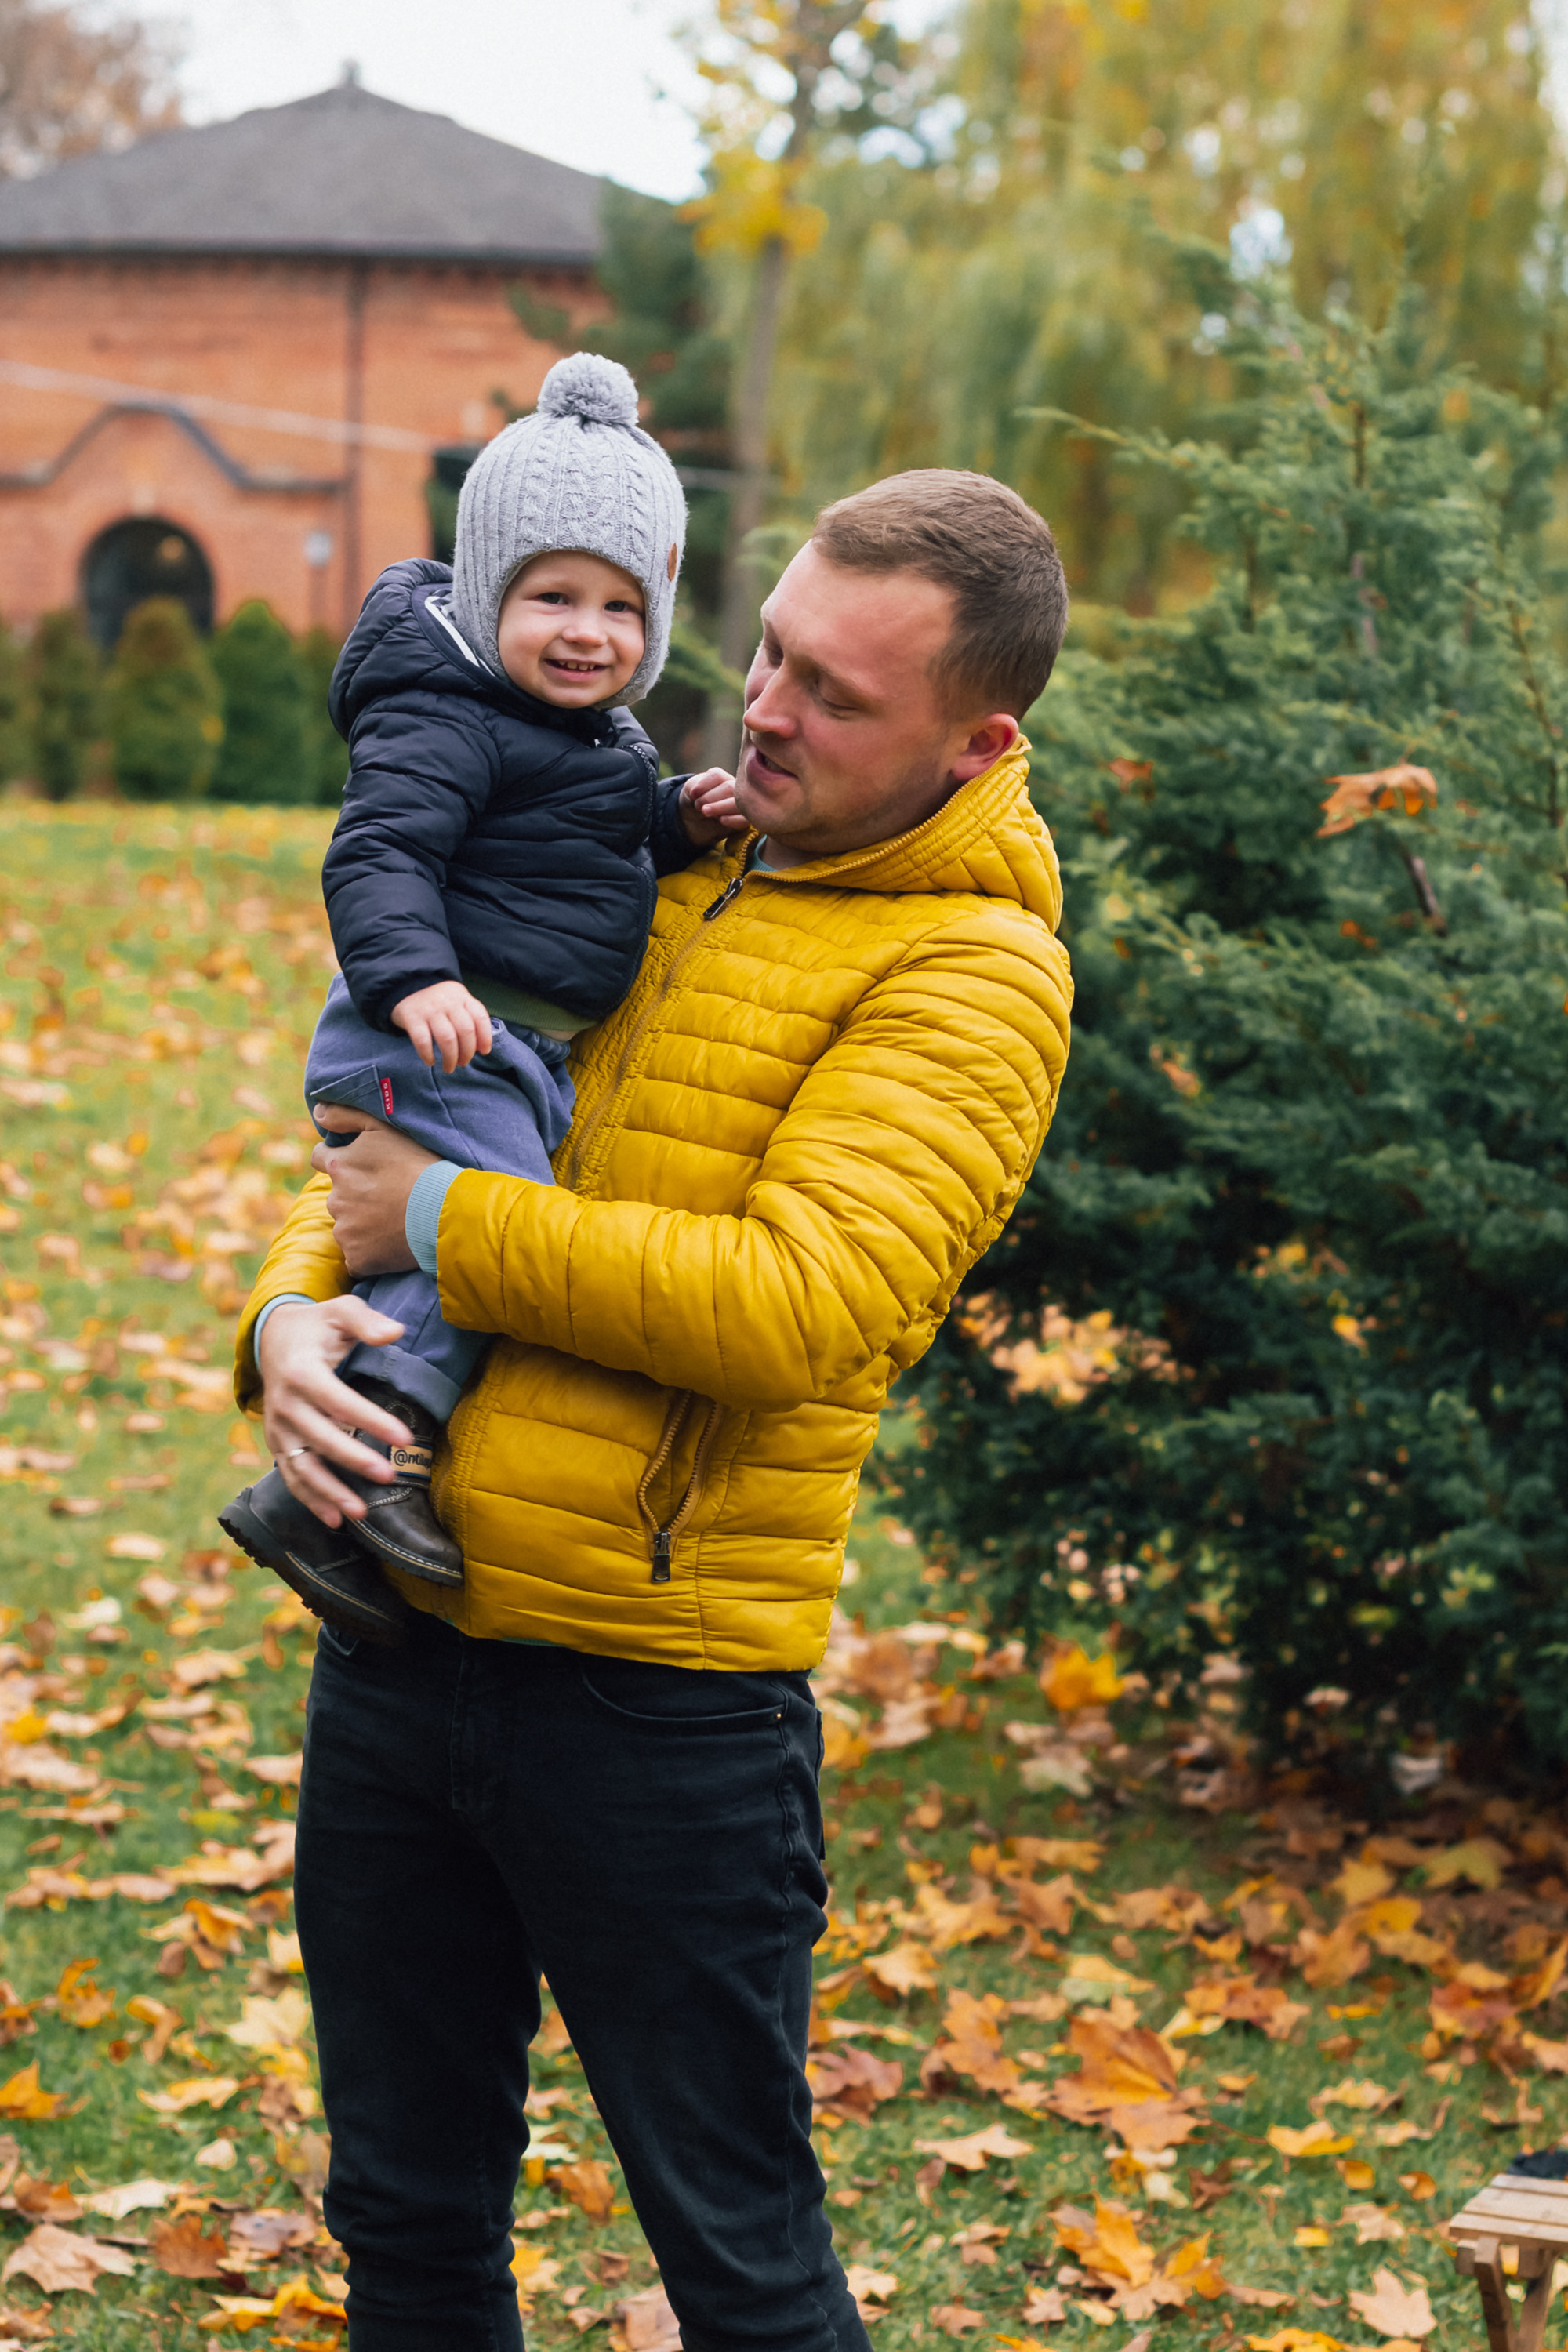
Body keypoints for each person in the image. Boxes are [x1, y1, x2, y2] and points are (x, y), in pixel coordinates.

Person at [235, 467, 1075, 2352]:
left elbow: (809, 1306)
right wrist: (288, 1320)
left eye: (835, 697)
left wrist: (443, 1222)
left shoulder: (972, 974)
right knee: (405, 2224)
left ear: (976, 738)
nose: (760, 708)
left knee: (739, 2261)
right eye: (766, 650)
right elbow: (412, 1124)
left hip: (656, 1701)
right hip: (398, 1624)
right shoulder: (653, 846)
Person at [220, 350, 739, 1609]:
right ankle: (380, 1449)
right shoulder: (442, 713)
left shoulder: (586, 735)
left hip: (506, 1043)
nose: (588, 633)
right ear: (488, 590)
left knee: (445, 1250)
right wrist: (415, 982)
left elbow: (571, 848)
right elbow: (383, 849)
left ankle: (316, 1506)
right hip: (432, 1035)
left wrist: (676, 823)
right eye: (553, 597)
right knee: (495, 1226)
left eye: (621, 610)